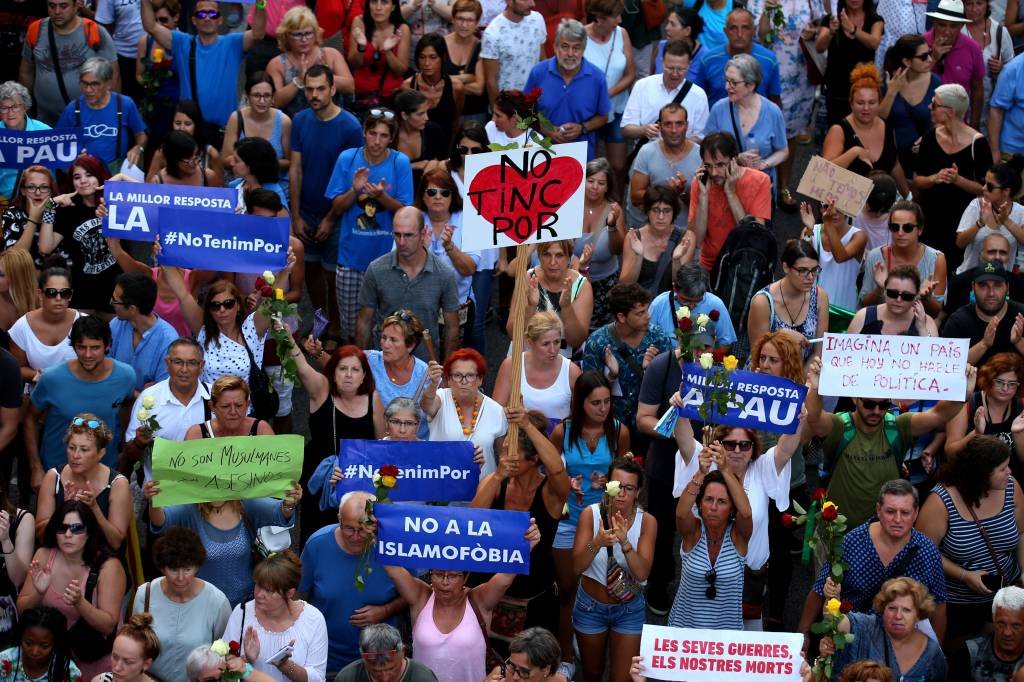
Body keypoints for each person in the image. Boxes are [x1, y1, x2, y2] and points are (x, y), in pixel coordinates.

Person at [144, 376, 300, 607]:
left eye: (239, 405)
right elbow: (164, 519)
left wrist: (289, 500)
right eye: (226, 406)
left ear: (248, 404)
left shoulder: (260, 429)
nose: (233, 411)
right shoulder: (197, 434)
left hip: (251, 522)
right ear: (212, 406)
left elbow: (278, 504)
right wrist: (154, 499)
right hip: (204, 523)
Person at [671, 396, 806, 629]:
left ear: (754, 448)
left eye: (744, 445)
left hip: (750, 578)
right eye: (729, 443)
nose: (736, 450)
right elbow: (684, 439)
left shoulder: (762, 467)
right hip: (704, 569)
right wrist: (679, 405)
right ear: (718, 444)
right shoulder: (705, 462)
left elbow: (785, 449)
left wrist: (799, 419)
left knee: (743, 651)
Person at [803, 357, 972, 529]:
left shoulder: (898, 426)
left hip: (886, 533)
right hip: (840, 534)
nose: (876, 411)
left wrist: (962, 392)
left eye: (883, 405)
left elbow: (938, 415)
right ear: (855, 398)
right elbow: (815, 417)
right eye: (869, 404)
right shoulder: (840, 427)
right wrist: (815, 389)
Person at [797, 480, 949, 656]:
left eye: (905, 513)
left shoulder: (927, 551)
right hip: (850, 640)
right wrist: (803, 635)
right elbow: (819, 591)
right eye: (890, 511)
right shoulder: (851, 542)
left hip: (901, 647)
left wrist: (936, 654)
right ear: (878, 510)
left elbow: (938, 605)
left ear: (916, 513)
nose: (897, 519)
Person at [380, 523, 541, 682]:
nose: (444, 582)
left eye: (452, 576)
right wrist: (378, 534)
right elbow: (394, 572)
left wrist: (526, 546)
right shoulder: (421, 596)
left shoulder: (479, 599)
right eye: (438, 574)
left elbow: (505, 579)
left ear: (465, 577)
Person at [548, 371, 629, 676]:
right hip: (569, 518)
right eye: (596, 402)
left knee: (599, 585)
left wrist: (612, 481)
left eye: (607, 401)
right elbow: (549, 474)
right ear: (581, 403)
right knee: (569, 588)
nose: (603, 408)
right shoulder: (563, 432)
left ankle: (587, 637)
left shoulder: (619, 432)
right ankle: (566, 656)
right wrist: (567, 483)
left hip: (605, 520)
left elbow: (629, 478)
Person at [470, 409, 568, 649]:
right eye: (502, 452)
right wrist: (496, 477)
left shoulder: (550, 492)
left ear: (534, 459)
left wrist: (527, 425)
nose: (504, 460)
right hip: (489, 590)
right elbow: (472, 520)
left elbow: (557, 470)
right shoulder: (494, 482)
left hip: (534, 595)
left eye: (512, 455)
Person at [916, 434, 1024, 647]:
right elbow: (924, 552)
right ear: (981, 474)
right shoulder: (941, 501)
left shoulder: (1011, 487)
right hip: (959, 606)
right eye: (1002, 469)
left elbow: (1022, 534)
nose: (1009, 472)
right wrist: (964, 575)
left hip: (1004, 598)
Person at [324, 109, 413, 344]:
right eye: (372, 133)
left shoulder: (399, 162)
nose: (377, 141)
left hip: (387, 260)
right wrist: (355, 190)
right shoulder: (348, 159)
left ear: (392, 138)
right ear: (363, 133)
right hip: (350, 259)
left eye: (384, 135)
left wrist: (381, 197)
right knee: (352, 327)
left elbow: (405, 211)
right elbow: (337, 207)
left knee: (387, 327)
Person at [299, 492, 405, 674]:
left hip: (380, 664)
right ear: (339, 519)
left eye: (363, 529)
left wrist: (386, 610)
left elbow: (415, 595)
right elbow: (299, 598)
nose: (356, 536)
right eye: (349, 528)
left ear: (375, 523)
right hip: (326, 660)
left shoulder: (393, 546)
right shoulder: (317, 545)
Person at [17, 501, 125, 679]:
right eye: (62, 528)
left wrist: (80, 603)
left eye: (77, 529)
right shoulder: (44, 555)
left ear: (89, 532)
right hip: (50, 658)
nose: (68, 534)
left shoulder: (109, 566)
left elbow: (108, 626)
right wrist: (39, 593)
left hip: (91, 660)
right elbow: (22, 610)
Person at [570, 458, 655, 682]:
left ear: (637, 492)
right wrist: (597, 541)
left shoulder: (647, 522)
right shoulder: (590, 514)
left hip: (629, 609)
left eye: (629, 488)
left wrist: (625, 542)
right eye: (617, 486)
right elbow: (577, 565)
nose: (621, 493)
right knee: (592, 673)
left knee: (623, 678)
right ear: (608, 485)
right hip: (590, 607)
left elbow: (642, 573)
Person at [25, 317, 135, 485]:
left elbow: (127, 409)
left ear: (108, 346)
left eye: (95, 348)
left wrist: (125, 453)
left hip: (104, 472)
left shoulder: (126, 376)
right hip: (57, 473)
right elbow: (30, 420)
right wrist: (35, 467)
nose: (88, 354)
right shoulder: (51, 378)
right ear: (73, 346)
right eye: (81, 347)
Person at [140, 0, 268, 135]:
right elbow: (151, 27)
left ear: (220, 20)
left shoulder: (232, 43)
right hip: (191, 130)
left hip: (224, 130)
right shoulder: (182, 42)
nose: (207, 17)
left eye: (213, 14)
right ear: (194, 20)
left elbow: (258, 34)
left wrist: (260, 4)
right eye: (201, 14)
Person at [297, 343, 384, 537]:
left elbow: (380, 446)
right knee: (318, 533)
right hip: (320, 476)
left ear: (364, 376)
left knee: (357, 534)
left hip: (357, 479)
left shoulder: (374, 399)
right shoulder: (321, 392)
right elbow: (302, 367)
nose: (348, 374)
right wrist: (284, 333)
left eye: (355, 369)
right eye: (342, 369)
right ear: (333, 373)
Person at [356, 206, 460, 362]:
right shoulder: (376, 269)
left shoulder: (444, 274)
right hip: (383, 363)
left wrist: (446, 372)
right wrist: (361, 364)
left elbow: (452, 328)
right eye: (397, 235)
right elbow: (364, 321)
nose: (401, 242)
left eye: (408, 235)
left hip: (426, 366)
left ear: (423, 233)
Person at [130, 528, 230, 682]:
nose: (181, 578)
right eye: (174, 569)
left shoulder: (217, 601)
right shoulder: (145, 594)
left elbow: (224, 654)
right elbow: (135, 645)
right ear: (162, 567)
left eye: (187, 569)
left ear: (197, 567)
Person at [912, 83, 992, 273]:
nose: (930, 107)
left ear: (950, 111)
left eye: (934, 104)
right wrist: (934, 178)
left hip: (962, 224)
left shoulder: (977, 144)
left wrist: (958, 180)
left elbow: (987, 189)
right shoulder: (931, 137)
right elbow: (918, 180)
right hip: (931, 219)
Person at [748, 0, 821, 206]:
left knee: (789, 134)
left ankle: (784, 187)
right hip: (766, 73)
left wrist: (812, 32)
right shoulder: (757, 1)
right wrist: (767, 11)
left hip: (799, 76)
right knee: (760, 130)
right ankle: (757, 185)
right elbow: (757, 36)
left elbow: (820, 23)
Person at [669, 457, 753, 629]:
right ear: (700, 503)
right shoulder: (693, 532)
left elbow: (745, 514)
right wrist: (701, 472)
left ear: (732, 507)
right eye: (708, 499)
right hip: (684, 631)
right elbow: (681, 514)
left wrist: (726, 470)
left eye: (722, 501)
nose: (713, 507)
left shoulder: (738, 536)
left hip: (727, 635)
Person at [581, 283, 671, 437]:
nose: (647, 316)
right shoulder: (598, 342)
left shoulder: (659, 338)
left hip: (647, 431)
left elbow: (670, 386)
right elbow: (588, 392)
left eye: (646, 311)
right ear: (621, 317)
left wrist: (650, 372)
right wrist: (611, 377)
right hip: (610, 429)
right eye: (640, 313)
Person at [222, 551, 328, 682]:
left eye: (269, 590)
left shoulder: (313, 619)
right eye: (258, 585)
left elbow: (317, 678)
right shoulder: (242, 612)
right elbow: (223, 668)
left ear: (290, 593)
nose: (259, 594)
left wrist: (286, 666)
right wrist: (247, 659)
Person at [34, 414, 129, 553]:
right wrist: (64, 510)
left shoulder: (118, 484)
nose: (75, 455)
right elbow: (40, 536)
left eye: (84, 449)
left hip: (99, 559)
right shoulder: (53, 477)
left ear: (101, 453)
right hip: (59, 555)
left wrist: (95, 510)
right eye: (72, 447)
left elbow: (116, 543)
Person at [39, 155, 121, 316]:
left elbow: (152, 198)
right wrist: (50, 206)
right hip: (84, 290)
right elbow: (45, 247)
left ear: (99, 176)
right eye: (77, 177)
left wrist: (122, 177)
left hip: (116, 289)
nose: (83, 180)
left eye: (89, 175)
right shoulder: (69, 210)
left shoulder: (116, 201)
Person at [821, 577, 947, 681]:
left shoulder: (932, 653)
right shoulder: (866, 625)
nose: (898, 616)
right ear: (882, 609)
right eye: (892, 608)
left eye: (906, 610)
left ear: (919, 615)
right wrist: (832, 598)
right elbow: (836, 622)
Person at [121, 338, 210, 481]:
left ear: (201, 365)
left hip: (207, 490)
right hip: (160, 493)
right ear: (167, 363)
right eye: (178, 362)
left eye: (192, 363)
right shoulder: (148, 399)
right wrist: (139, 442)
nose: (184, 369)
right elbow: (130, 454)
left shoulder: (217, 398)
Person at [523, 19, 611, 160]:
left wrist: (582, 128)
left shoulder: (597, 77)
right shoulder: (538, 73)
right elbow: (523, 113)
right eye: (565, 46)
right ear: (555, 47)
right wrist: (548, 130)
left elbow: (603, 117)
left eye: (576, 48)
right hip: (540, 153)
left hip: (581, 155)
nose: (570, 53)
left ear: (583, 50)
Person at [18, 0, 117, 125]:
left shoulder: (94, 31)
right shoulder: (36, 30)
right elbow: (26, 72)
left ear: (77, 6)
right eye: (52, 6)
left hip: (87, 119)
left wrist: (110, 114)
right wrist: (25, 109)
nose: (57, 11)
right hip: (45, 120)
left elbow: (113, 76)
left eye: (63, 6)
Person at [687, 131, 772, 271]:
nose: (714, 173)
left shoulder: (760, 181)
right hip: (709, 265)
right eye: (708, 166)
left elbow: (753, 238)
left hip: (743, 267)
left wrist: (731, 193)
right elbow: (697, 240)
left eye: (720, 165)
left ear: (734, 160)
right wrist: (703, 196)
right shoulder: (700, 183)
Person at [164, 274, 271, 386]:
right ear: (209, 309)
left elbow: (272, 302)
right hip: (210, 402)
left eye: (228, 304)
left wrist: (285, 271)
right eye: (215, 305)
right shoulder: (203, 331)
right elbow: (183, 295)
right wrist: (166, 264)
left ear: (238, 305)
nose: (222, 309)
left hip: (246, 402)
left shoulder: (251, 329)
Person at [705, 53, 788, 191]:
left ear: (751, 85)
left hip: (759, 186)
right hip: (725, 186)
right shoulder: (719, 109)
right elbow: (707, 148)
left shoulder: (773, 112)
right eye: (726, 80)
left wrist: (764, 164)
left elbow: (783, 151)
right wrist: (736, 159)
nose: (727, 86)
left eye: (733, 82)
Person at [823, 63, 908, 194]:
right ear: (851, 103)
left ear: (879, 102)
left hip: (880, 204)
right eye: (860, 103)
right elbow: (824, 172)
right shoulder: (838, 130)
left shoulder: (887, 126)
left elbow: (895, 165)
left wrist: (908, 196)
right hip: (846, 204)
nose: (866, 108)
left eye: (872, 102)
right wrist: (854, 152)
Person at [492, 312, 582, 431]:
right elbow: (495, 412)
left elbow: (582, 416)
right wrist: (513, 413)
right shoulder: (511, 365)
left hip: (558, 444)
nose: (553, 350)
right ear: (530, 343)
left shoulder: (572, 371)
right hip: (522, 442)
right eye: (545, 344)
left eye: (557, 342)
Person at [421, 349, 507, 476]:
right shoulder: (440, 397)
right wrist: (433, 384)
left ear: (480, 379)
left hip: (483, 488)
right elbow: (426, 405)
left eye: (470, 375)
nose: (464, 381)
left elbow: (503, 454)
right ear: (448, 379)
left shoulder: (496, 410)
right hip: (442, 486)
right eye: (457, 375)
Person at [859, 200, 947, 318]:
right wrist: (879, 289)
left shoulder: (936, 259)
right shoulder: (875, 256)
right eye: (895, 227)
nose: (900, 233)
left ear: (920, 230)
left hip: (917, 330)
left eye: (908, 227)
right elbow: (864, 305)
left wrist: (925, 297)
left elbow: (936, 312)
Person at [55, 59, 146, 171]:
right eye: (84, 83)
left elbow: (141, 134)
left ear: (108, 84)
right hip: (85, 170)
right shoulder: (73, 109)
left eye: (94, 84)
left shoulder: (124, 104)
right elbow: (57, 144)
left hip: (116, 169)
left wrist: (138, 148)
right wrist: (72, 158)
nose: (88, 90)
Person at [504, 239, 594, 352]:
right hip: (527, 356)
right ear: (539, 256)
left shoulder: (581, 286)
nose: (552, 262)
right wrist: (530, 307)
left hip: (564, 359)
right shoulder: (527, 279)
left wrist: (567, 307)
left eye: (559, 255)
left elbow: (575, 341)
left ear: (569, 257)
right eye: (546, 254)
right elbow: (513, 333)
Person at [626, 102, 703, 232]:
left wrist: (683, 193)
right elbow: (635, 197)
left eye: (679, 124)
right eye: (668, 124)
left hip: (686, 232)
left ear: (686, 126)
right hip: (650, 231)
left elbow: (704, 204)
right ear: (660, 127)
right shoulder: (647, 152)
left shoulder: (700, 155)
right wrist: (666, 192)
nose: (674, 130)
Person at [747, 239, 830, 359]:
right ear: (785, 267)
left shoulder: (820, 297)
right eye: (802, 271)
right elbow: (757, 354)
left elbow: (818, 353)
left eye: (814, 270)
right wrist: (781, 336)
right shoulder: (763, 301)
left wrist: (799, 377)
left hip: (804, 375)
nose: (811, 277)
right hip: (766, 373)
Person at [268, 6, 355, 118]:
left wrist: (326, 76)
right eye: (298, 34)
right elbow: (274, 102)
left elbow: (350, 87)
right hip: (294, 126)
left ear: (316, 33)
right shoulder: (277, 64)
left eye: (308, 33)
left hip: (331, 121)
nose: (304, 39)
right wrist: (298, 81)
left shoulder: (331, 54)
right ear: (286, 36)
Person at [584, 0, 634, 192]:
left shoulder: (622, 34)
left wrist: (606, 94)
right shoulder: (581, 36)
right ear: (599, 19)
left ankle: (615, 208)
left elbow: (630, 74)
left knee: (618, 167)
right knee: (589, 167)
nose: (620, 20)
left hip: (617, 108)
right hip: (588, 112)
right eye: (615, 16)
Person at [946, 352, 1024, 474]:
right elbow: (950, 454)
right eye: (999, 382)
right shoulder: (967, 404)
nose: (1005, 388)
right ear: (988, 378)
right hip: (973, 480)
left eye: (1012, 384)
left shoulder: (1021, 407)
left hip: (1010, 481)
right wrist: (976, 433)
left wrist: (1018, 434)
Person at [687, 9, 783, 108]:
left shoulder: (769, 60)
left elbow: (775, 101)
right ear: (726, 31)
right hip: (717, 122)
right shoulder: (708, 60)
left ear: (753, 30)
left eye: (745, 28)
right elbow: (696, 98)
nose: (740, 34)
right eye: (733, 28)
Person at [621, 39, 710, 144]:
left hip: (683, 156)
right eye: (670, 68)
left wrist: (677, 145)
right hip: (647, 155)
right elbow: (626, 129)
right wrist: (644, 130)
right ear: (662, 62)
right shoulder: (642, 86)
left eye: (681, 69)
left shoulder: (698, 95)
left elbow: (701, 136)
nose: (675, 74)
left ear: (689, 65)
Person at [879, 35, 944, 179]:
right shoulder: (888, 81)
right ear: (906, 61)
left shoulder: (935, 83)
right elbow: (878, 119)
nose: (930, 60)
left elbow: (943, 123)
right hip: (891, 164)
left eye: (929, 53)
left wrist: (929, 141)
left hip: (923, 165)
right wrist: (891, 92)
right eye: (923, 57)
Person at [107, 272, 179, 393]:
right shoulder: (115, 325)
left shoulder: (168, 340)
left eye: (115, 301)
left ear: (132, 309)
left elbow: (161, 391)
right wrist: (136, 393)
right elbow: (104, 370)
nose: (111, 304)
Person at [942, 260, 1024, 365]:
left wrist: (1019, 341)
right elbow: (947, 367)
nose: (991, 293)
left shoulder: (1021, 315)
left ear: (1007, 287)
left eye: (997, 285)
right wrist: (984, 344)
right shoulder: (958, 321)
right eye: (983, 285)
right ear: (973, 287)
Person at [817, 0, 885, 125]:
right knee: (837, 129)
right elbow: (819, 47)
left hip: (863, 88)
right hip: (836, 87)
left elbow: (874, 42)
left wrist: (853, 29)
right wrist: (831, 32)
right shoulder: (832, 18)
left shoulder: (875, 19)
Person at [7, 266, 78, 386]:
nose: (59, 298)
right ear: (40, 294)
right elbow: (17, 368)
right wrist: (41, 376)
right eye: (51, 292)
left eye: (65, 293)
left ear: (71, 295)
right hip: (38, 395)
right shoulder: (22, 327)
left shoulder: (84, 322)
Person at [578, 159, 626, 328]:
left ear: (607, 187)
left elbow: (618, 249)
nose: (594, 187)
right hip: (573, 280)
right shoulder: (570, 207)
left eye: (601, 183)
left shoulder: (614, 209)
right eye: (590, 181)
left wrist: (612, 225)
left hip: (605, 285)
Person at [222, 72, 292, 184]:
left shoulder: (284, 121)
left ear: (273, 97)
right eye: (256, 95)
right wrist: (250, 163)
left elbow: (291, 161)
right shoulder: (236, 118)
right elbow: (225, 160)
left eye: (267, 95)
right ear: (246, 95)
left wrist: (263, 164)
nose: (262, 101)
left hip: (274, 187)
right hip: (242, 186)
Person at [925, 0, 985, 130]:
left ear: (961, 25)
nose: (947, 31)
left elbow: (977, 88)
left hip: (957, 125)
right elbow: (910, 81)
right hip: (924, 122)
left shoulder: (973, 48)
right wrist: (933, 59)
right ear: (934, 22)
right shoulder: (921, 44)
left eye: (953, 26)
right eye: (942, 25)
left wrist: (974, 125)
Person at [800, 200, 867, 313]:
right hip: (811, 307)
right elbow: (801, 260)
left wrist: (828, 224)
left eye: (839, 207)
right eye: (827, 206)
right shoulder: (811, 230)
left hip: (842, 312)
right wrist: (809, 230)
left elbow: (840, 257)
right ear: (821, 209)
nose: (833, 212)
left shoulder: (859, 235)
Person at [956, 162, 1024, 273]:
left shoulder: (1020, 212)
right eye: (984, 183)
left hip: (1001, 282)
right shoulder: (976, 205)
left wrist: (1007, 221)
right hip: (969, 277)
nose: (983, 188)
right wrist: (980, 223)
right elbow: (960, 243)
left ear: (1006, 191)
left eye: (990, 186)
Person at [347, 0, 411, 116]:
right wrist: (361, 47)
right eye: (374, 2)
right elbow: (354, 62)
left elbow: (401, 70)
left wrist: (388, 52)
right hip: (361, 97)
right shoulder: (359, 22)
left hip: (390, 98)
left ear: (393, 7)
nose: (378, 7)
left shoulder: (402, 28)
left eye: (384, 2)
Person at [947, 585, 1024, 680]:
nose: (1007, 632)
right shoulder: (969, 652)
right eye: (1001, 623)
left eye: (1016, 625)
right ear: (993, 619)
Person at [620, 186, 686, 295]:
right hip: (639, 306)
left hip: (670, 305)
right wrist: (638, 256)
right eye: (655, 210)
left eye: (667, 211)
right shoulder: (633, 237)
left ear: (674, 212)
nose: (661, 217)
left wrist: (677, 260)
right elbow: (625, 286)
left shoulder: (685, 238)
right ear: (647, 211)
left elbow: (682, 287)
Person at [480, 0, 546, 107]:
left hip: (536, 102)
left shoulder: (538, 20)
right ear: (509, 1)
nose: (532, 4)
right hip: (509, 108)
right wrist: (498, 112)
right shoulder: (493, 33)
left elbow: (542, 60)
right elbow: (491, 80)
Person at [962, 0, 1015, 136]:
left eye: (979, 3)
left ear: (987, 5)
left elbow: (1014, 70)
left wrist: (1002, 68)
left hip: (991, 108)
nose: (974, 9)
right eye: (969, 4)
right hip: (961, 107)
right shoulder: (957, 29)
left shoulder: (999, 32)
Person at [848, 265, 939, 337]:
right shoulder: (863, 317)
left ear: (916, 296)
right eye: (893, 293)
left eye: (906, 296)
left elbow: (934, 358)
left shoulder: (926, 322)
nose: (898, 300)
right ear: (884, 291)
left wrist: (922, 329)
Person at [403, 33, 465, 139]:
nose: (427, 63)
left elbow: (455, 122)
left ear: (443, 57)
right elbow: (403, 126)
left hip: (446, 147)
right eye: (422, 57)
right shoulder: (408, 86)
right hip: (417, 148)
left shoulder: (456, 87)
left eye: (433, 57)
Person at [133, 0, 180, 140]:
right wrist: (149, 86)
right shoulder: (145, 42)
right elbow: (139, 74)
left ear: (175, 18)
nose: (159, 25)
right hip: (152, 105)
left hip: (176, 106)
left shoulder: (184, 43)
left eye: (164, 20)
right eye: (156, 20)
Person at [146, 101, 225, 181]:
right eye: (178, 123)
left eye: (187, 124)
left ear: (196, 125)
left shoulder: (211, 154)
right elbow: (148, 188)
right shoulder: (162, 153)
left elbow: (220, 190)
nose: (182, 128)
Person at [0, 83, 50, 206]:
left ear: (25, 107)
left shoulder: (46, 132)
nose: (10, 113)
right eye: (4, 108)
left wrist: (76, 156)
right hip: (4, 203)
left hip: (42, 202)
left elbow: (65, 166)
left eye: (15, 106)